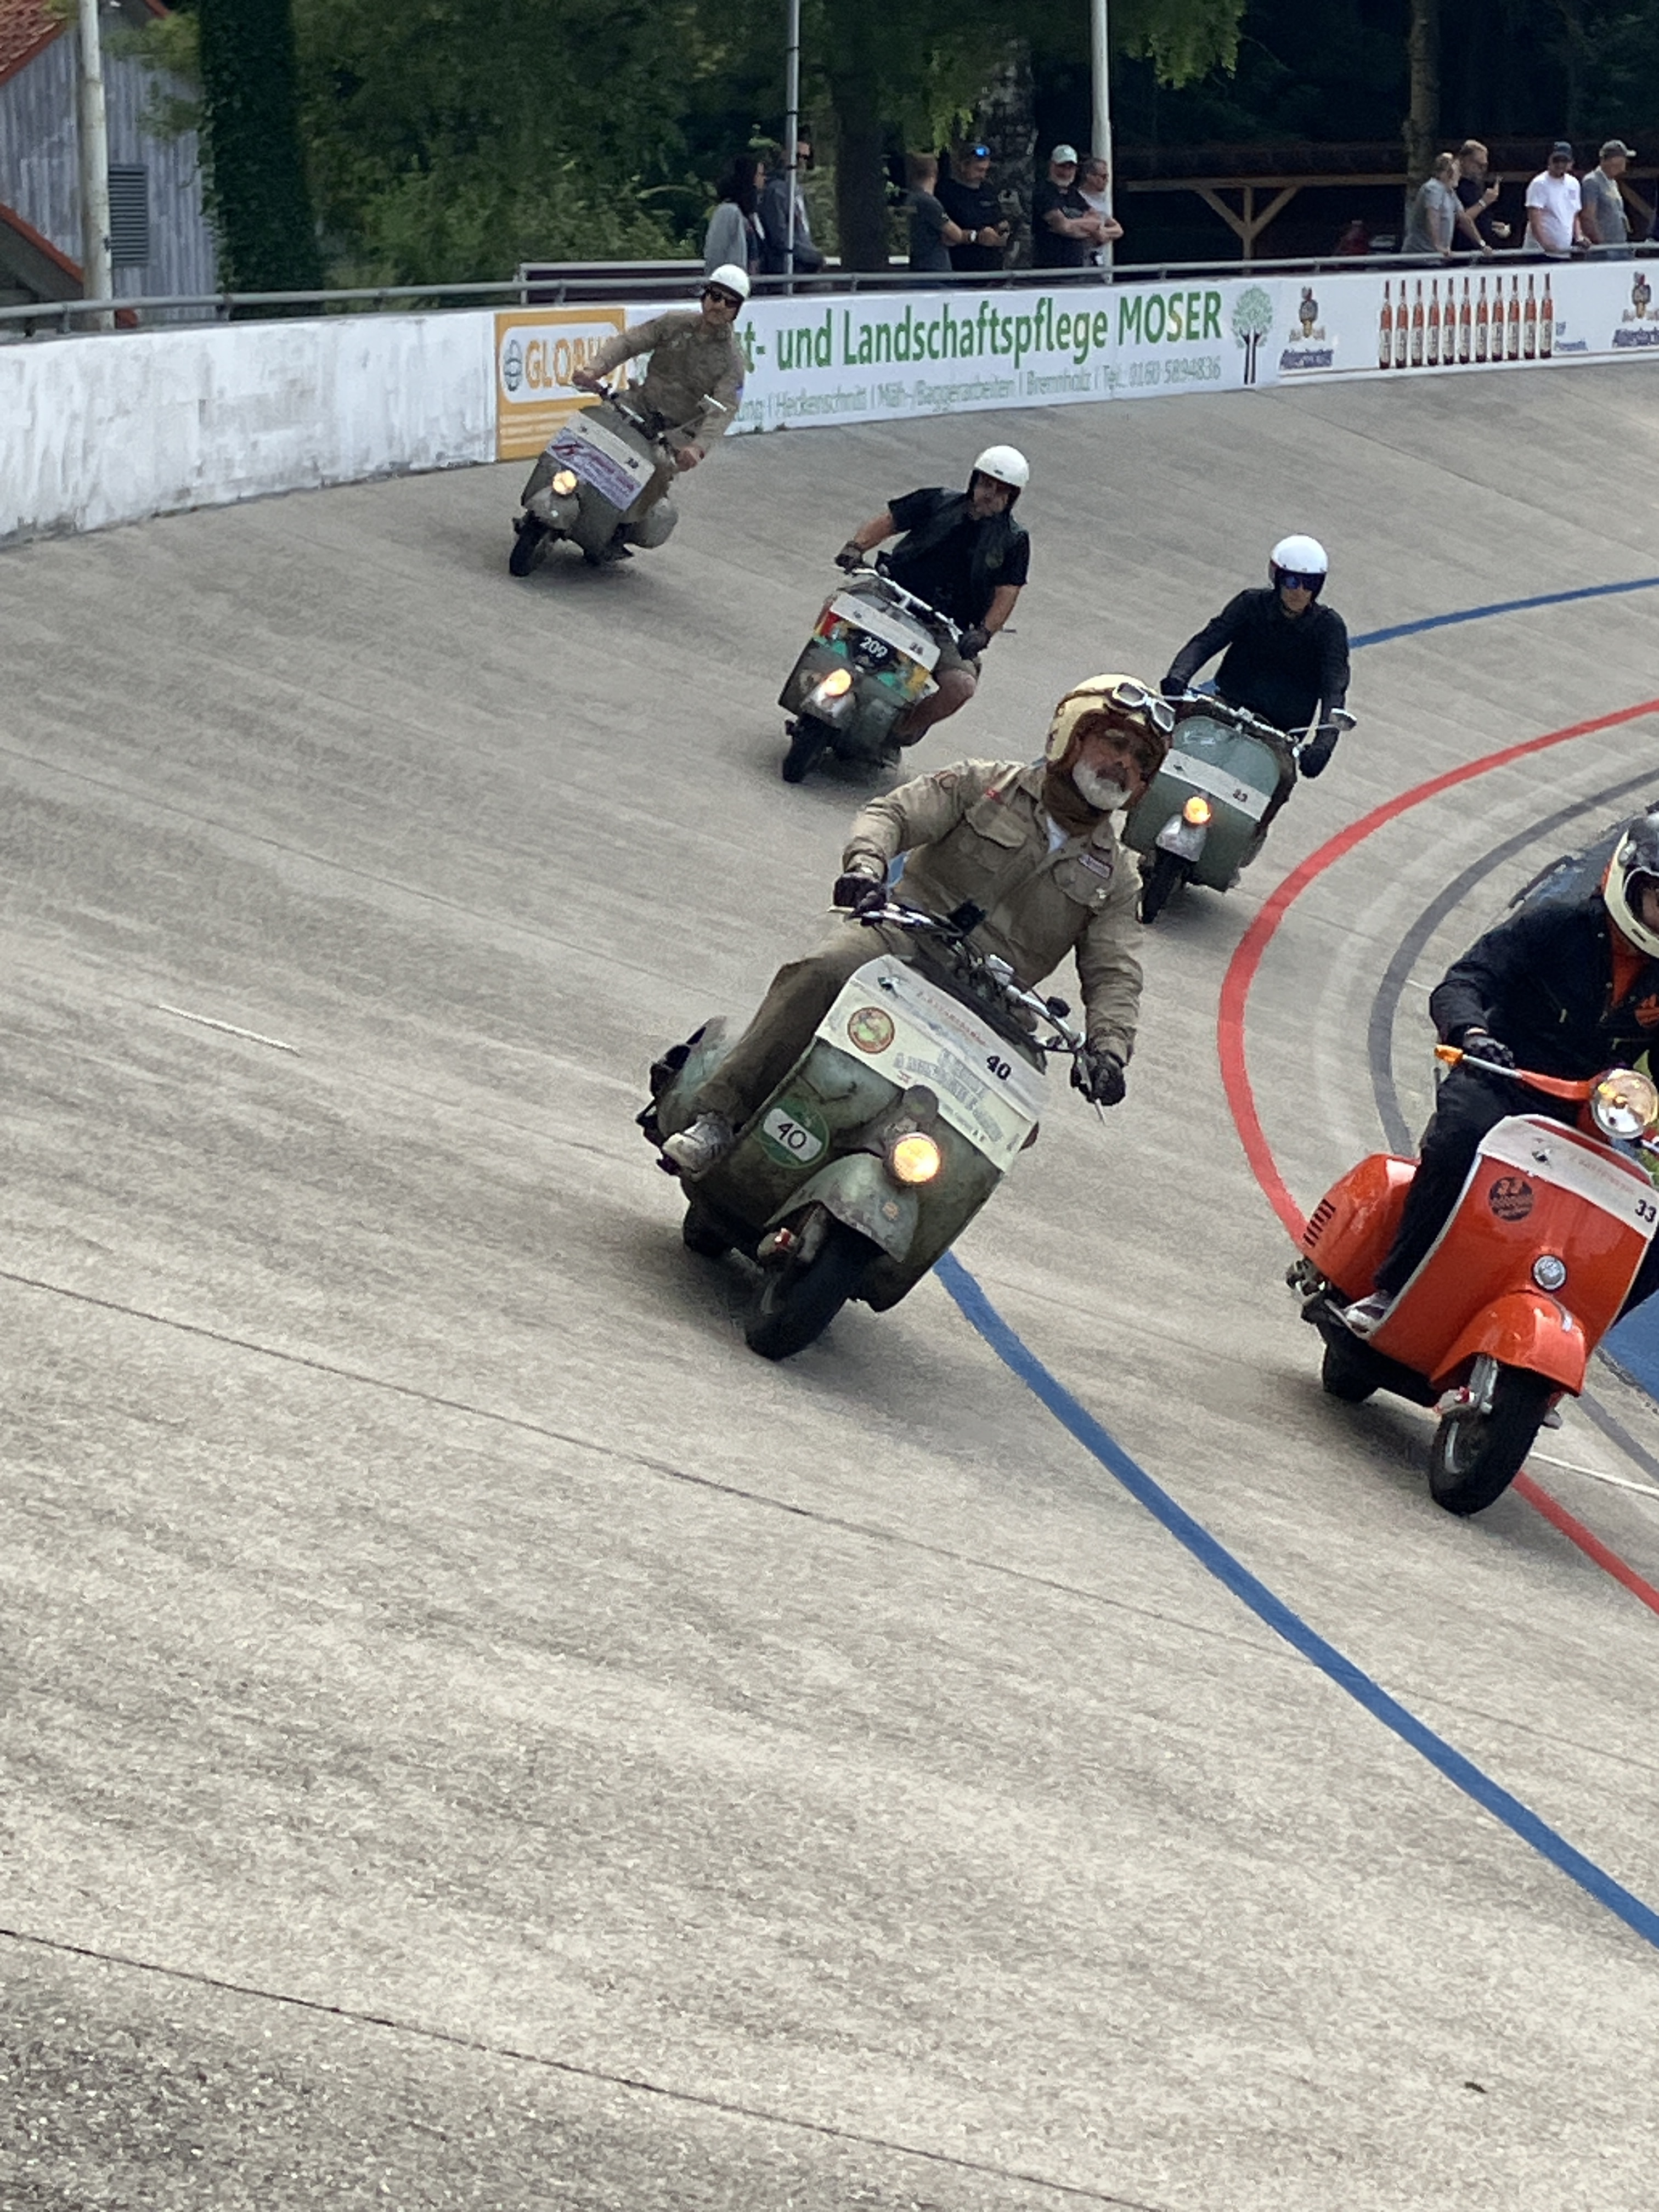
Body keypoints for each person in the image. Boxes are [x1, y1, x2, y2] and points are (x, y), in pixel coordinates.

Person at [661, 674, 1175, 1177]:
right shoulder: (984, 784)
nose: (1124, 764)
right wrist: (866, 868)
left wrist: (1109, 1049)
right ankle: (719, 1118)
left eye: (1141, 760)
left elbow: (1116, 972)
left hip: (995, 1002)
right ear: (1072, 735)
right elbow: (892, 816)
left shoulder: (1118, 878)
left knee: (1019, 1115)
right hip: (904, 941)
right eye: (1115, 743)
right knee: (824, 970)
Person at [1345, 812, 1659, 1335]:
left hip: (1588, 1117)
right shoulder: (1553, 927)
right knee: (1458, 1141)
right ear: (1629, 881)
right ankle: (1393, 1289)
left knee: (1652, 1225)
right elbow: (1464, 981)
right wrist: (1472, 1033)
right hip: (1500, 1080)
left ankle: (1578, 1332)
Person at [831, 446, 1031, 744]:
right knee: (836, 607)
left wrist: (984, 632)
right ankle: (815, 679)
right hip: (892, 592)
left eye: (1001, 490)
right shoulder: (936, 500)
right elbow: (890, 521)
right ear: (974, 481)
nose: (990, 494)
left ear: (1012, 497)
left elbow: (1008, 592)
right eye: (986, 484)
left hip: (946, 626)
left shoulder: (1015, 541)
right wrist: (856, 547)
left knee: (961, 686)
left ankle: (896, 733)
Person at [570, 267, 748, 555]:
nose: (719, 305)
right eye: (716, 296)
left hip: (676, 431)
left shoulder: (731, 361)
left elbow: (724, 409)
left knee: (659, 467)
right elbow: (630, 342)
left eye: (730, 302)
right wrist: (594, 369)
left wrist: (697, 448)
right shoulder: (673, 323)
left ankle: (622, 528)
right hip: (639, 404)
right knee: (592, 424)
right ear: (705, 296)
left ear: (737, 311)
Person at [1160, 534, 1352, 776]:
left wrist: (1323, 746)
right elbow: (1206, 641)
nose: (1300, 591)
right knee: (1169, 745)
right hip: (1225, 709)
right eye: (1292, 581)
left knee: (1283, 778)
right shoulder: (1251, 604)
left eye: (1310, 584)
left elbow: (1334, 690)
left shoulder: (1330, 629)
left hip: (1280, 735)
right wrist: (1178, 677)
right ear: (1278, 578)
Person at [936, 142, 1011, 274]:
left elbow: (999, 219)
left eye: (985, 170)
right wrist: (978, 236)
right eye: (978, 170)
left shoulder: (989, 191)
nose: (982, 176)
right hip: (960, 268)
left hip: (992, 268)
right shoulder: (946, 192)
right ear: (963, 166)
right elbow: (944, 233)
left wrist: (1002, 231)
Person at [759, 133, 825, 276]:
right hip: (785, 267)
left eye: (806, 158)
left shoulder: (799, 191)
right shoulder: (776, 191)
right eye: (797, 156)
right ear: (785, 155)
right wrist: (813, 256)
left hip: (803, 266)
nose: (802, 162)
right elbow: (779, 237)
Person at [1032, 144, 1104, 270]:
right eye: (1062, 166)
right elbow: (1064, 227)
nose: (1066, 172)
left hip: (1076, 268)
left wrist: (1071, 223)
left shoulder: (1074, 194)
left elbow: (1097, 222)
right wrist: (1085, 227)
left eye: (1071, 167)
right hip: (1048, 270)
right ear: (1052, 166)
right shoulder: (1043, 192)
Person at [1402, 153, 1482, 257]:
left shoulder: (1450, 192)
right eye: (1458, 171)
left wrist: (1482, 244)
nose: (1460, 175)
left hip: (1436, 256)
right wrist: (1438, 246)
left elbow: (1464, 219)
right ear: (1448, 172)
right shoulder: (1433, 188)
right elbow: (1433, 217)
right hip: (1421, 256)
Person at [703, 153, 766, 280]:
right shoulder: (728, 211)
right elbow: (716, 252)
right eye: (760, 174)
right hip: (732, 283)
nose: (764, 179)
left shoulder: (749, 214)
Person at [1525, 142, 1589, 258]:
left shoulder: (1574, 183)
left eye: (1564, 161)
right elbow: (1534, 217)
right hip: (1540, 252)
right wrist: (1546, 244)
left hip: (1564, 251)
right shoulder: (1539, 183)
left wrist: (1579, 237)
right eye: (1556, 160)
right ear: (1549, 161)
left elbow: (1575, 215)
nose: (1560, 164)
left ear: (1571, 163)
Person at [906, 152, 966, 274]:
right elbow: (957, 235)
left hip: (917, 267)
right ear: (934, 173)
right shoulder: (929, 202)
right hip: (934, 269)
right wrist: (973, 236)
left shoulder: (911, 199)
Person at [1581, 139, 1636, 255]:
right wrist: (1602, 244)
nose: (1626, 162)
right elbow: (1588, 216)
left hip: (1620, 246)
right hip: (1606, 249)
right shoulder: (1592, 181)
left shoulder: (1613, 183)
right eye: (1624, 158)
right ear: (1614, 160)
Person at [1454, 141, 1509, 250]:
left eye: (1485, 166)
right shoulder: (1456, 187)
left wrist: (1492, 225)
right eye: (1479, 164)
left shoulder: (1474, 186)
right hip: (1464, 249)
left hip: (1483, 250)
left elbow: (1476, 217)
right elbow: (1462, 220)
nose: (1482, 170)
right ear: (1464, 160)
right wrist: (1484, 202)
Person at [1075, 156, 1124, 267]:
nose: (1106, 181)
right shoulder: (1077, 199)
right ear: (1089, 176)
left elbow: (1119, 230)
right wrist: (1100, 233)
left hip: (1102, 260)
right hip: (1083, 259)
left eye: (1107, 177)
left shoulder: (1104, 199)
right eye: (1103, 177)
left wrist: (1103, 231)